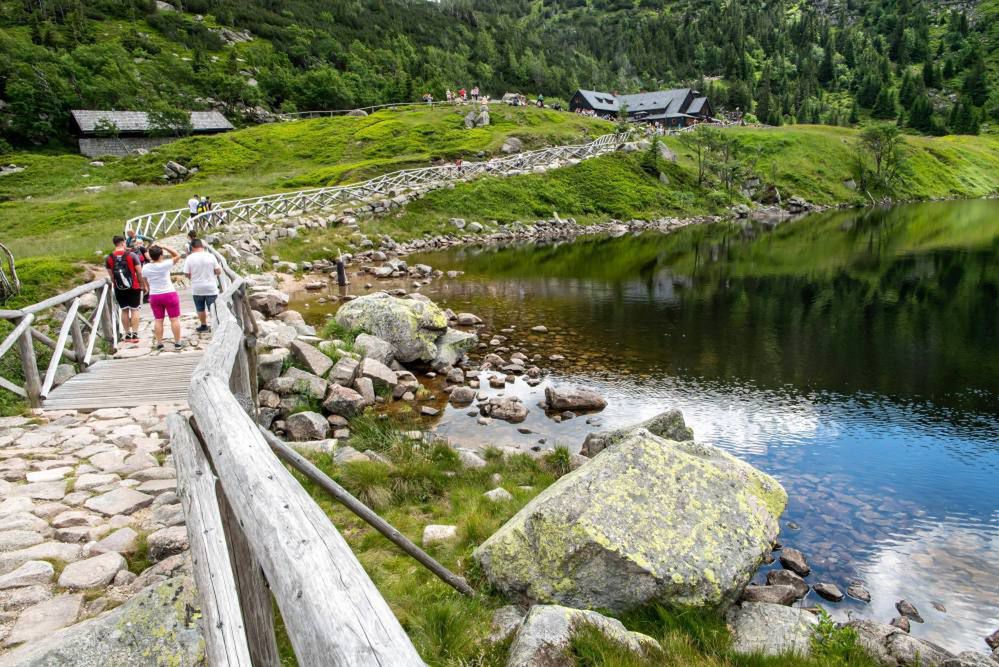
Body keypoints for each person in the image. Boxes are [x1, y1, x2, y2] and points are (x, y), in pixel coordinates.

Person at [141, 245, 184, 351]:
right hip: (169, 293)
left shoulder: (145, 267)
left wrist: (149, 290)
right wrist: (164, 246)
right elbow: (177, 255)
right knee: (174, 319)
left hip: (155, 295)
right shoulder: (165, 264)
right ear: (161, 255)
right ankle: (177, 342)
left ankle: (160, 343)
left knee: (158, 320)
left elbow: (145, 281)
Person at [106, 236, 144, 342]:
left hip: (119, 288)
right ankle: (135, 334)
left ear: (115, 244)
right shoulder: (132, 255)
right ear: (123, 243)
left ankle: (127, 334)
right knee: (135, 309)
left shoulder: (109, 258)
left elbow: (111, 276)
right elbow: (139, 272)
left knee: (124, 310)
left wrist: (116, 284)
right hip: (133, 286)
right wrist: (141, 284)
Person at [182, 239, 222, 334]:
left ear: (192, 247)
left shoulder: (190, 258)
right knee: (212, 307)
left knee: (200, 308)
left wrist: (193, 277)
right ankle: (216, 325)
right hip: (210, 286)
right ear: (202, 246)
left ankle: (203, 325)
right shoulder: (210, 256)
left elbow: (186, 273)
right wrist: (212, 274)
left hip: (197, 287)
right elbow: (218, 271)